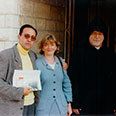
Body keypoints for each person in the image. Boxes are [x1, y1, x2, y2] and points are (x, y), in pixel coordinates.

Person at [69, 19, 116, 115]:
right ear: (89, 35)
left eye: (100, 34)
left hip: (106, 104)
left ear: (104, 36)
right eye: (94, 33)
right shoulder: (79, 54)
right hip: (84, 104)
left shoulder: (110, 54)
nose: (97, 37)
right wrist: (75, 103)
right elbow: (73, 79)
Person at [0, 24, 39, 116]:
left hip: (31, 106)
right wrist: (20, 92)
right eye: (26, 36)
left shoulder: (33, 56)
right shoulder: (6, 55)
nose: (29, 39)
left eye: (33, 38)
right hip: (13, 108)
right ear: (19, 36)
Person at [35, 34, 72, 116]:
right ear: (42, 47)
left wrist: (68, 105)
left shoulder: (61, 62)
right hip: (43, 108)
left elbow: (66, 84)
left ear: (56, 47)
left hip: (61, 107)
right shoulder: (37, 63)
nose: (49, 47)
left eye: (52, 45)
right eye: (46, 45)